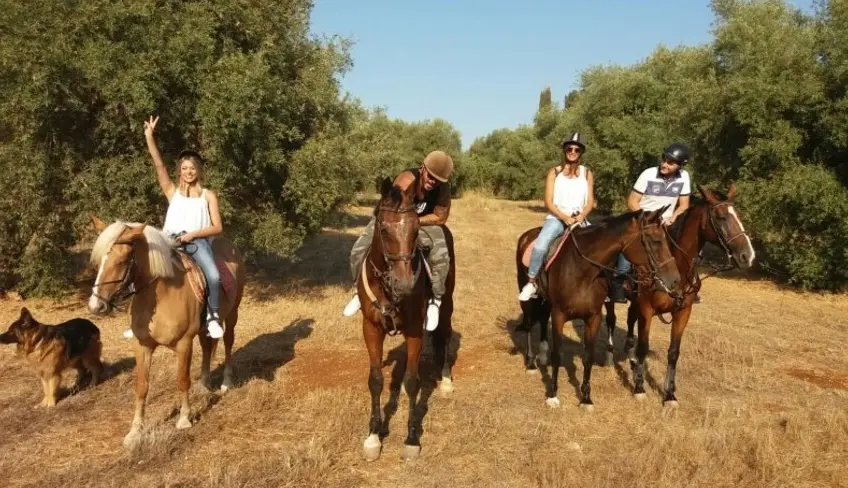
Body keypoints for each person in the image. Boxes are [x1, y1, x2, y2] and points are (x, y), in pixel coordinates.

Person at [342, 150, 454, 332]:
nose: (433, 182)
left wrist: (415, 221)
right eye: (431, 176)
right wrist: (406, 222)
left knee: (441, 255)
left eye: (438, 180)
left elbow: (441, 217)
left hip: (422, 223)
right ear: (423, 168)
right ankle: (357, 291)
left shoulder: (443, 188)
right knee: (358, 249)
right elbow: (393, 210)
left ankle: (436, 299)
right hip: (391, 219)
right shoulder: (405, 181)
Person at [138, 115, 226, 339]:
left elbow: (218, 227)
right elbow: (159, 165)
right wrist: (149, 137)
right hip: (169, 241)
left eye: (192, 168)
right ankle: (139, 318)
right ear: (180, 171)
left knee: (214, 276)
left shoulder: (208, 195)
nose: (188, 172)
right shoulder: (172, 191)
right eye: (185, 168)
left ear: (198, 171)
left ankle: (213, 316)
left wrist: (193, 234)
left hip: (197, 243)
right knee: (139, 267)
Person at [610, 142, 692, 302]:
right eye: (664, 159)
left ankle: (687, 285)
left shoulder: (684, 177)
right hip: (641, 220)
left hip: (664, 224)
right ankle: (617, 283)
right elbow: (632, 202)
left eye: (670, 163)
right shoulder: (648, 174)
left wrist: (673, 217)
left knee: (684, 250)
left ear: (680, 166)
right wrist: (647, 219)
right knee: (627, 257)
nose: (664, 164)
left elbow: (684, 205)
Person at [518, 132, 595, 301]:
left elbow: (590, 201)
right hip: (557, 218)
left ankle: (603, 288)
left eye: (576, 149)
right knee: (540, 247)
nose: (572, 152)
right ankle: (532, 282)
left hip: (579, 218)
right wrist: (564, 217)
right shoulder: (554, 173)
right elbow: (548, 201)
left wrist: (582, 215)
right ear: (564, 150)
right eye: (569, 148)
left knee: (599, 247)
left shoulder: (587, 173)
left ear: (581, 152)